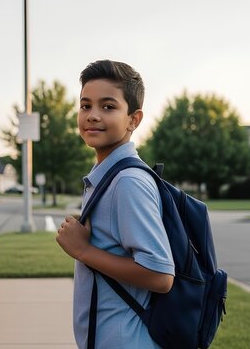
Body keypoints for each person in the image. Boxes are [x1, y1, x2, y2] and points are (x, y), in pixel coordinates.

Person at [56, 59, 175, 349]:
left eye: (108, 107)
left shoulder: (127, 182)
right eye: (86, 106)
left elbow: (160, 275)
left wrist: (83, 250)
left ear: (133, 119)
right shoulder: (110, 176)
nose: (93, 116)